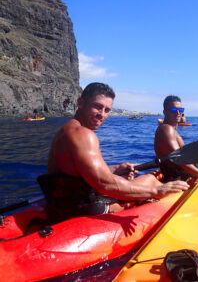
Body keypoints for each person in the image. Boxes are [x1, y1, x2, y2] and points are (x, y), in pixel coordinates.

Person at [41, 83, 189, 223]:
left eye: (107, 110)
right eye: (97, 107)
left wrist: (114, 169)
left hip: (64, 206)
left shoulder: (67, 129)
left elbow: (75, 174)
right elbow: (104, 183)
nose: (102, 114)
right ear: (80, 103)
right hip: (84, 210)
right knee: (150, 184)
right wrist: (158, 190)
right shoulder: (82, 134)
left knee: (147, 180)